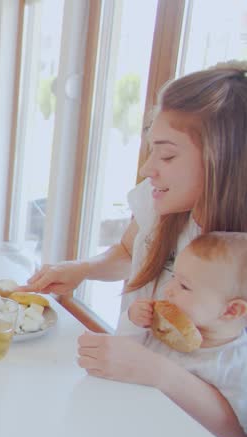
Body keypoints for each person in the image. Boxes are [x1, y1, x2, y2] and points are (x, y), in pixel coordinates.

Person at [20, 62, 247, 333]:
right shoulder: (158, 198)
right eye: (152, 151)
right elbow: (130, 251)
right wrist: (81, 269)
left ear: (223, 160)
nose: (147, 169)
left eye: (167, 156)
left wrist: (145, 367)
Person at [77, 232, 247, 437]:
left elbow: (239, 433)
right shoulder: (164, 330)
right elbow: (125, 350)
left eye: (184, 286)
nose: (169, 290)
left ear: (231, 310)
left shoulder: (237, 364)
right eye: (173, 277)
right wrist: (133, 320)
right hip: (131, 429)